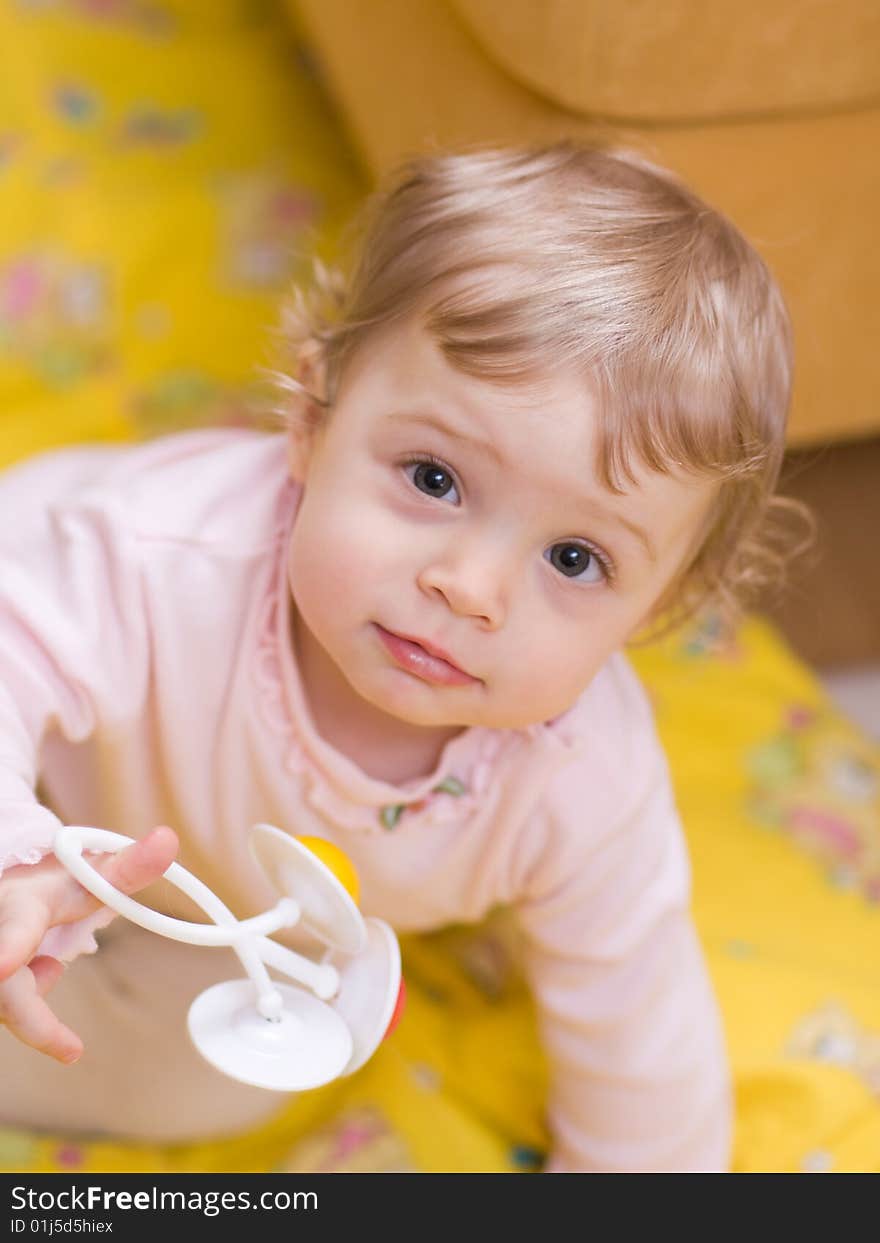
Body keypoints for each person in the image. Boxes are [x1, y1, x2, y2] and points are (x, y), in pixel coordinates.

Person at [0, 142, 796, 1172]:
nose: (469, 587)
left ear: (662, 605)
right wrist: (16, 852)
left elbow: (637, 1026)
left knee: (230, 1071)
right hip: (39, 748)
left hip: (197, 890)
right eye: (432, 477)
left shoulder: (577, 776)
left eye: (573, 556)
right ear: (310, 418)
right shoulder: (158, 562)